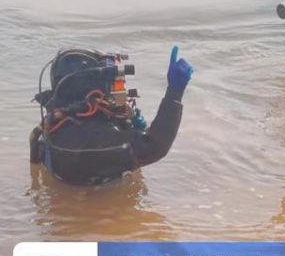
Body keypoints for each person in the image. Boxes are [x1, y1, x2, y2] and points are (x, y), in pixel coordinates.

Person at [29, 46, 193, 185]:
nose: (118, 88)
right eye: (114, 83)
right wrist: (174, 93)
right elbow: (155, 147)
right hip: (100, 206)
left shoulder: (55, 127)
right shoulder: (102, 140)